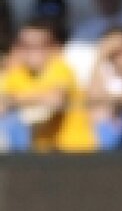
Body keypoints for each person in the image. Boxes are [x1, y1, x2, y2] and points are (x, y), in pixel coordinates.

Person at [0, 19, 96, 153]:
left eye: (40, 45)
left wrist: (13, 100)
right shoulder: (17, 74)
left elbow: (55, 99)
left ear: (54, 47)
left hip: (75, 150)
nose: (32, 51)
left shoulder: (60, 68)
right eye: (24, 45)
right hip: (41, 153)